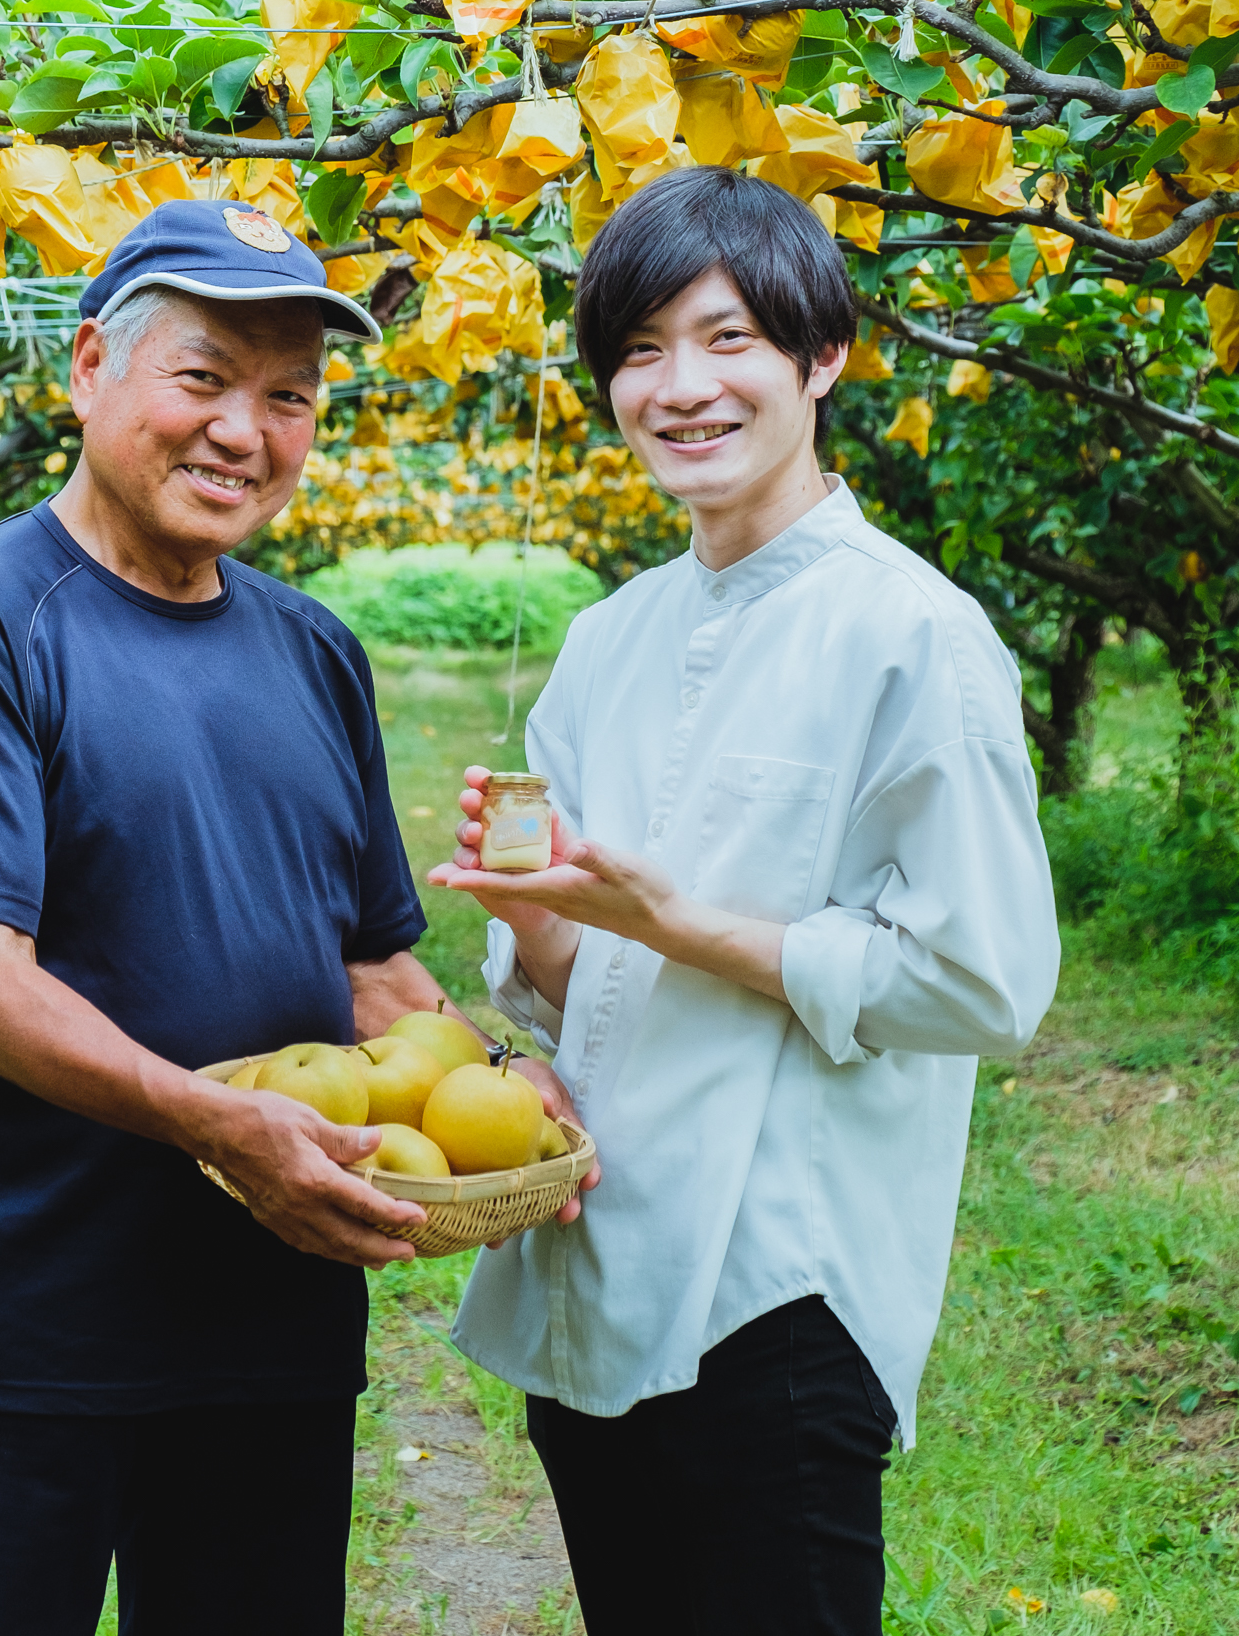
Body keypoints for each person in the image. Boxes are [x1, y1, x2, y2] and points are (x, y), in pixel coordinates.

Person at [0, 196, 565, 1635]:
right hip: (23, 1332)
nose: (246, 427)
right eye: (204, 377)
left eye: (289, 395)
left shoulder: (315, 650)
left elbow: (368, 964)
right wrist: (218, 1121)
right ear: (90, 367)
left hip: (270, 1332)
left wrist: (502, 1081)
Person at [433, 165, 1059, 1636]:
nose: (680, 387)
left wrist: (675, 922)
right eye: (639, 351)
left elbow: (986, 983)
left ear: (819, 356)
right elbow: (569, 973)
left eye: (725, 340)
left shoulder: (914, 635)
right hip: (597, 1254)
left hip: (784, 1287)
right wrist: (533, 917)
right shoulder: (607, 640)